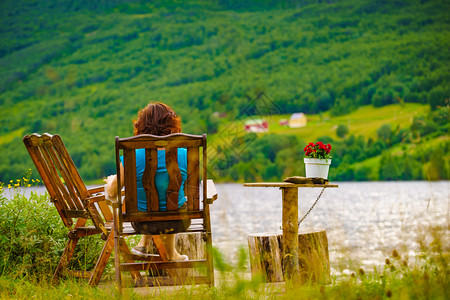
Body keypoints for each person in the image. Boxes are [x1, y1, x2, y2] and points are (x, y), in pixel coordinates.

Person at [104, 102, 189, 261]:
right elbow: (189, 187)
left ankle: (145, 244)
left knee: (148, 202)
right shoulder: (184, 153)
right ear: (172, 124)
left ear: (142, 125)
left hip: (142, 223)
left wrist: (110, 182)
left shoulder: (133, 155)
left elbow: (113, 191)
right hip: (179, 221)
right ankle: (171, 254)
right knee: (172, 201)